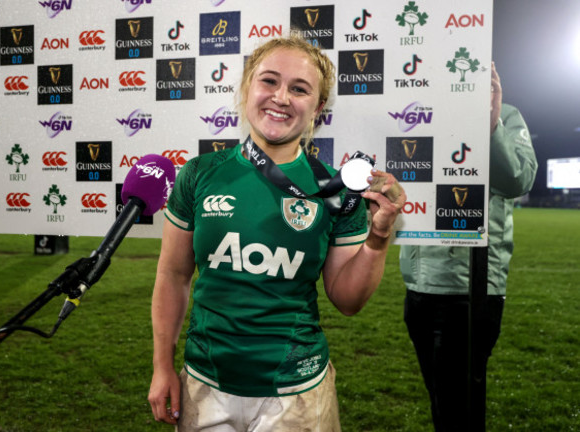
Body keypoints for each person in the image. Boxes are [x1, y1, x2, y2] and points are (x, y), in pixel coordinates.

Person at [148, 36, 406, 431]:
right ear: (247, 88)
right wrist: (162, 366)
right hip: (204, 384)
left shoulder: (335, 191)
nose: (281, 97)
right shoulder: (199, 174)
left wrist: (378, 237)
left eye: (299, 89)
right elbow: (173, 275)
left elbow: (349, 301)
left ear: (318, 108)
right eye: (269, 81)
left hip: (297, 392)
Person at [399, 62, 538, 431]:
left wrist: (491, 121)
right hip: (417, 287)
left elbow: (518, 180)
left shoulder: (508, 115)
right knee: (443, 402)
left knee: (458, 408)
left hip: (471, 289)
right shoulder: (417, 116)